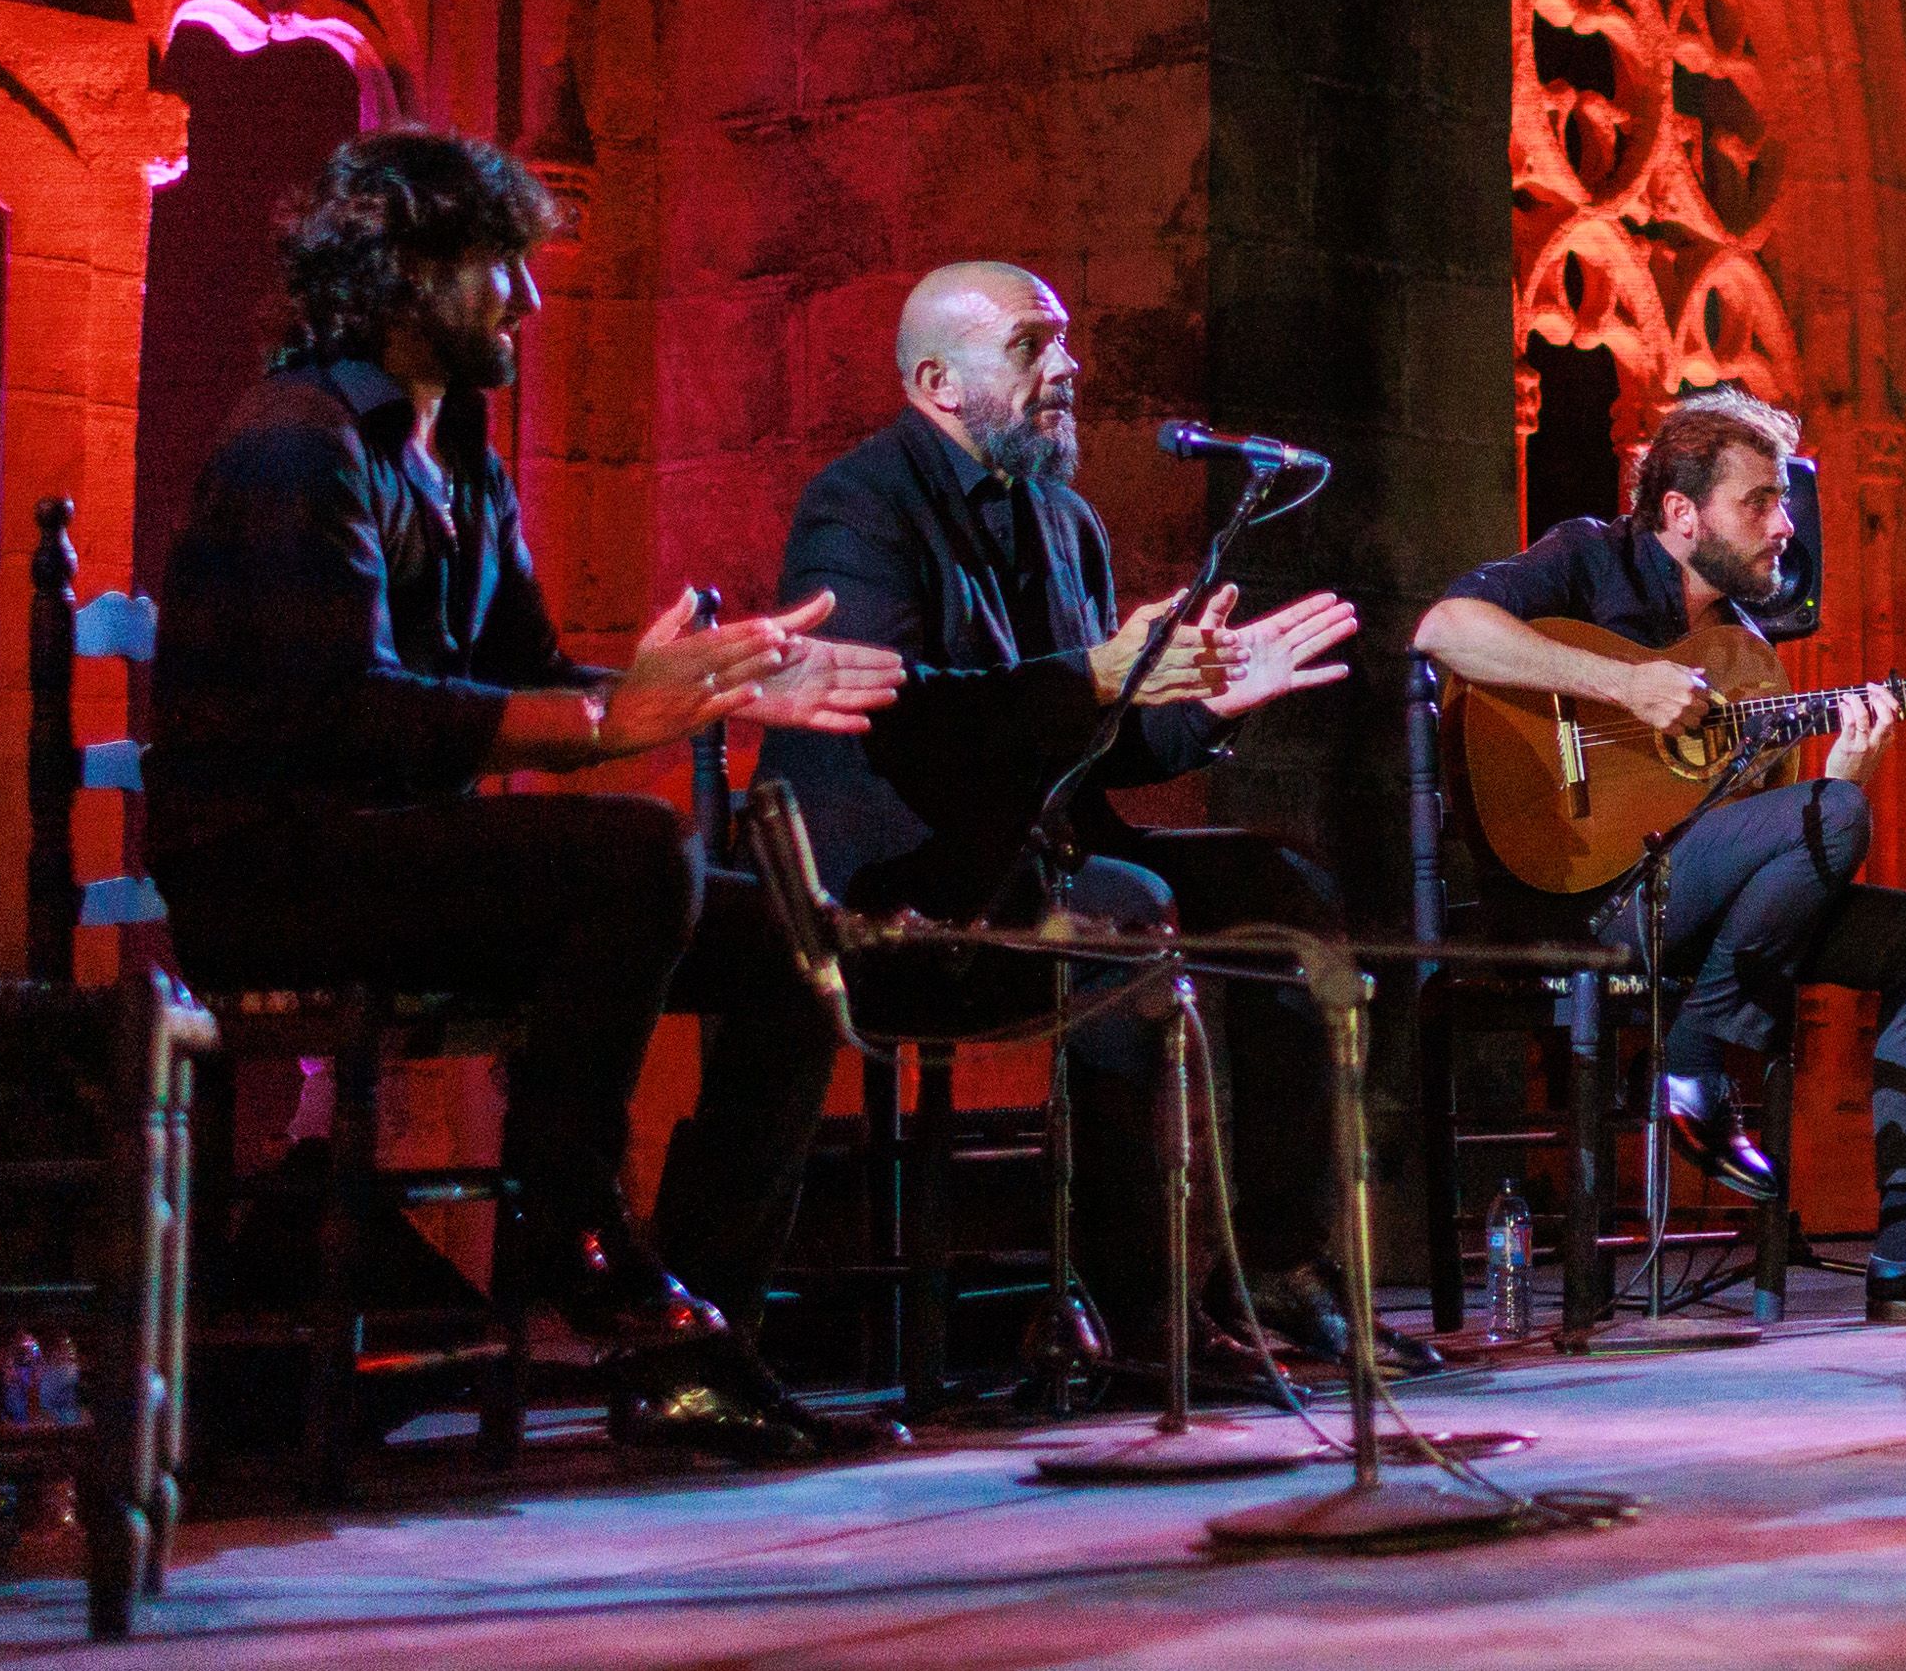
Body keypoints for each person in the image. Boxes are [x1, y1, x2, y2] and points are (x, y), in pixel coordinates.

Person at [147, 129, 914, 1464]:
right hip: (272, 867)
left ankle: (695, 1346)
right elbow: (345, 710)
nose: (529, 298)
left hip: (387, 845)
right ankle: (574, 1230)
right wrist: (625, 713)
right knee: (635, 857)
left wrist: (713, 686)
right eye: (498, 263)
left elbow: (523, 674)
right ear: (399, 272)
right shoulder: (296, 442)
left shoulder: (461, 451)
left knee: (801, 941)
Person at [680, 262, 1385, 1374]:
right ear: (936, 382)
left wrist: (1195, 709)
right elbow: (896, 720)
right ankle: (1147, 1328)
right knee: (1127, 912)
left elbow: (1088, 741)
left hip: (1042, 860)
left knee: (1279, 896)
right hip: (901, 886)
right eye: (1030, 346)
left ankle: (1280, 1272)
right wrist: (1098, 676)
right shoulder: (860, 505)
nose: (1067, 370)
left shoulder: (1062, 518)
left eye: (1065, 344)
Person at [1412, 393, 1906, 1322]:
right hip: (1580, 895)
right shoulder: (1589, 557)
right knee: (1829, 816)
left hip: (1696, 908)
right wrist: (1623, 682)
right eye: (1760, 501)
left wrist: (1845, 782)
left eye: (1782, 503)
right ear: (1682, 514)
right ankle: (1698, 1057)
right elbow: (1444, 632)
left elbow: (1766, 849)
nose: (1786, 525)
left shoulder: (1749, 659)